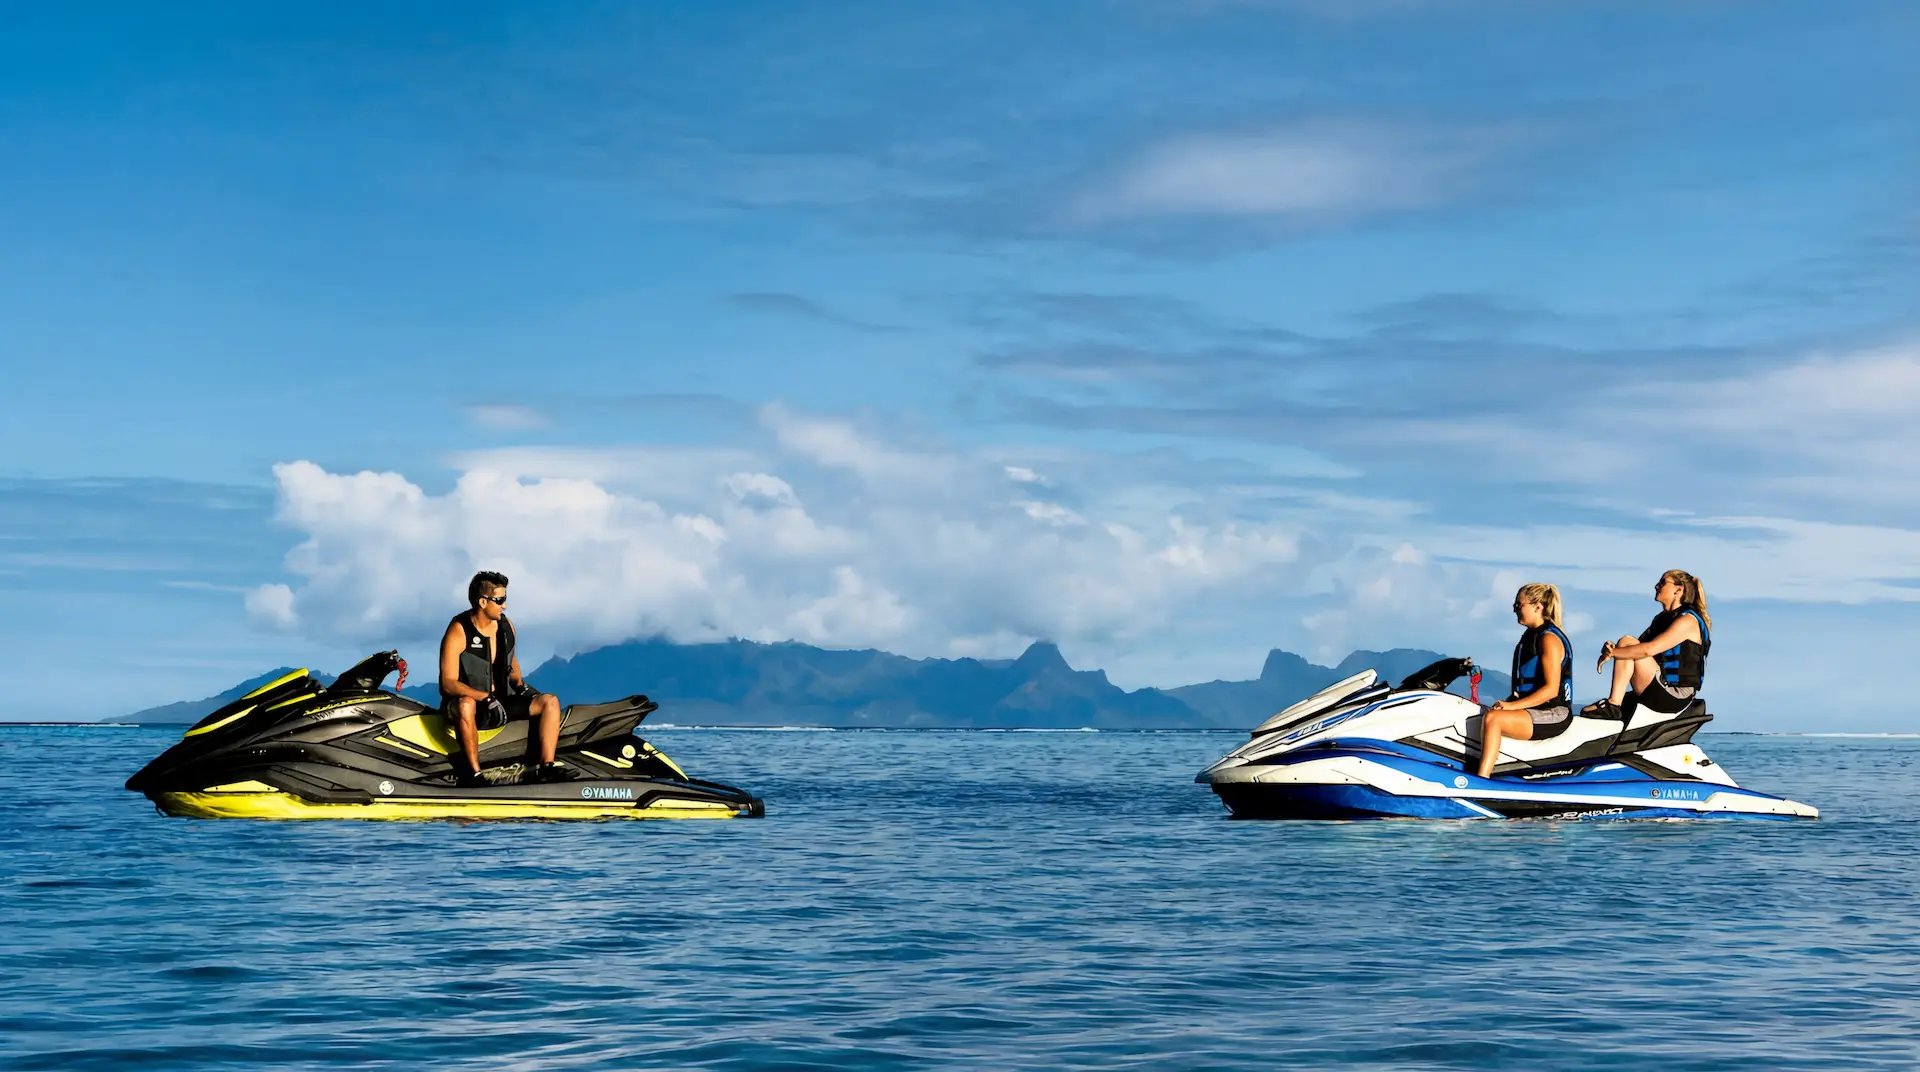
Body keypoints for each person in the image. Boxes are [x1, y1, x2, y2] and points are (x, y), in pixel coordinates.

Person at [438, 570, 568, 786]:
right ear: (482, 602)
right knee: (466, 704)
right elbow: (448, 683)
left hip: (500, 702)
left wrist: (522, 687)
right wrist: (483, 697)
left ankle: (547, 768)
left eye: (505, 599)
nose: (504, 605)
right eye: (500, 600)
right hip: (468, 704)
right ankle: (474, 775)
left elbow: (511, 662)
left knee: (550, 702)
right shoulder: (459, 630)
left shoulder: (507, 627)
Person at [1582, 569, 1710, 719]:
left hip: (1676, 695)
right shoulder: (1661, 619)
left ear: (1678, 590)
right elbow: (1634, 649)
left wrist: (1614, 653)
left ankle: (1613, 705)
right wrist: (1612, 648)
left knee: (1626, 642)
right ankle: (1614, 708)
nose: (1656, 586)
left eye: (1662, 582)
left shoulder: (1687, 621)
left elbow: (1648, 650)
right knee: (1586, 711)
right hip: (1661, 686)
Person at [1476, 583, 1573, 779]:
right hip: (1535, 709)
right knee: (1483, 714)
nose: (1515, 610)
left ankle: (1481, 780)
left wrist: (1511, 707)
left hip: (1554, 712)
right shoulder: (1530, 637)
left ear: (1538, 607)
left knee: (1494, 719)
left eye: (1518, 605)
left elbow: (1551, 690)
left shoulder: (1549, 639)